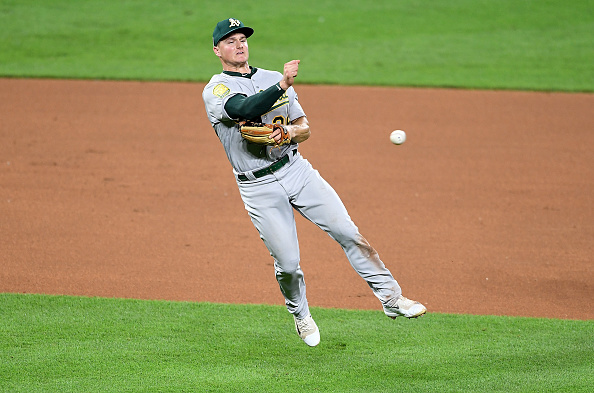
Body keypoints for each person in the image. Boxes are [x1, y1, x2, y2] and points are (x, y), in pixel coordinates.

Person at [202, 18, 426, 347]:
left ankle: (392, 299)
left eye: (243, 39)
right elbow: (242, 108)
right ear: (217, 49)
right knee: (289, 265)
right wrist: (282, 86)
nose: (239, 45)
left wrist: (290, 132)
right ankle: (301, 315)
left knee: (349, 233)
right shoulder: (216, 89)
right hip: (258, 187)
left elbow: (303, 126)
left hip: (297, 170)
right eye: (231, 40)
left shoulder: (267, 77)